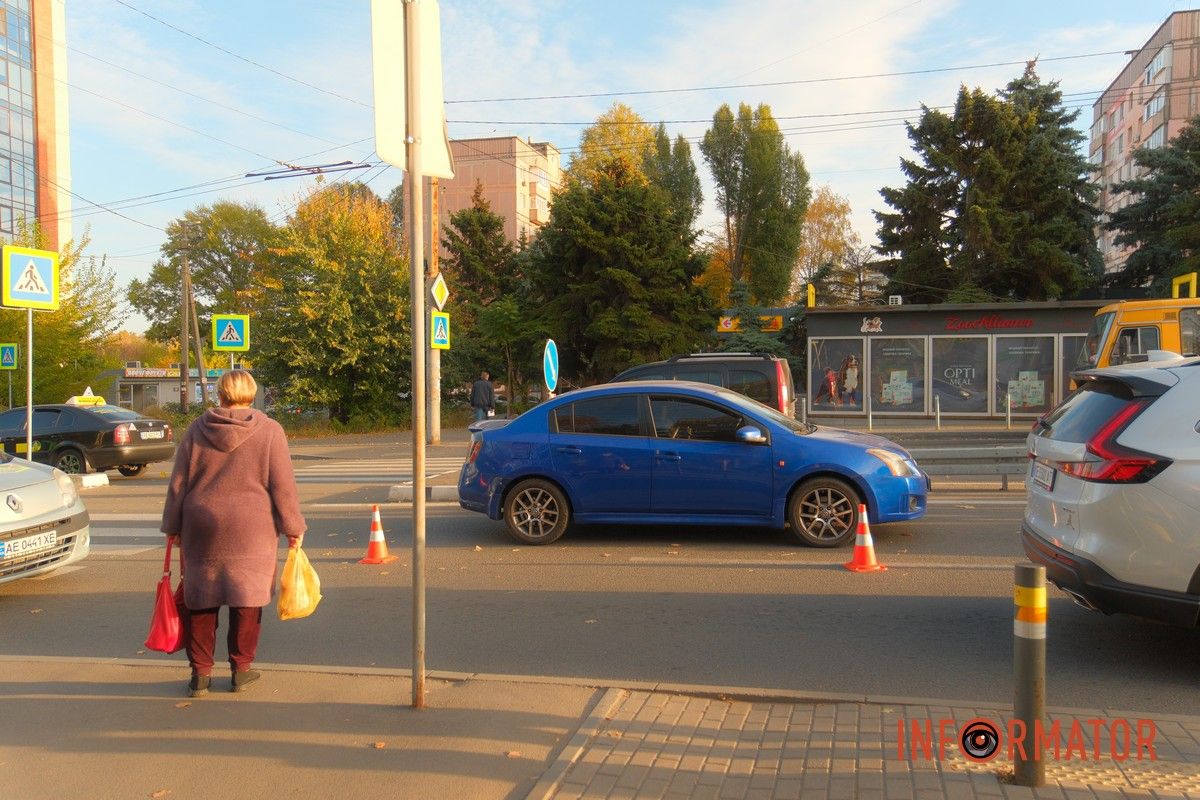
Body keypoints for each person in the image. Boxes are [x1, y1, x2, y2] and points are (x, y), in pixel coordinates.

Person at [160, 370, 306, 698]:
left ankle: (200, 675)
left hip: (202, 524)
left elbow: (178, 484)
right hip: (252, 528)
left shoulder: (197, 429)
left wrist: (172, 526)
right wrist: (293, 528)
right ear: (252, 394)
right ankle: (241, 670)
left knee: (201, 599)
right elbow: (283, 487)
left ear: (220, 394)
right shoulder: (270, 431)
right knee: (248, 597)